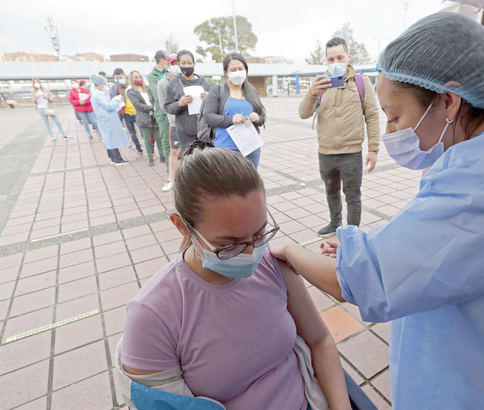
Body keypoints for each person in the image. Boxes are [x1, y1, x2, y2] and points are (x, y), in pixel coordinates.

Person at [272, 12, 484, 410]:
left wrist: (291, 253)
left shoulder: (478, 181)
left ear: (447, 101)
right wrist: (370, 243)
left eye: (395, 116)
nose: (392, 132)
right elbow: (473, 245)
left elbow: (367, 283)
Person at [120, 144, 351, 410]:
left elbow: (320, 341)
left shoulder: (273, 264)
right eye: (230, 244)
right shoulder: (154, 315)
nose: (252, 252)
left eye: (260, 233)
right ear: (181, 226)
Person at [299, 37, 380, 236]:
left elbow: (372, 115)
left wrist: (373, 149)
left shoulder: (362, 83)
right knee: (331, 191)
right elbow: (303, 113)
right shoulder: (319, 84)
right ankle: (335, 223)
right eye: (331, 59)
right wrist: (311, 92)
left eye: (340, 57)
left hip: (351, 153)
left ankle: (352, 232)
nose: (335, 63)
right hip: (325, 152)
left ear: (348, 57)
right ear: (326, 60)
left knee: (353, 195)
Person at [202, 52, 266, 168]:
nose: (237, 72)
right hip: (226, 150)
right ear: (226, 72)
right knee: (228, 185)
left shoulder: (252, 91)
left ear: (246, 70)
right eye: (233, 69)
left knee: (250, 185)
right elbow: (208, 116)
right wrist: (231, 119)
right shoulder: (218, 90)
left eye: (240, 68)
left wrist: (257, 118)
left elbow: (262, 118)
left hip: (251, 148)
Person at [164, 49, 210, 153]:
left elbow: (215, 104)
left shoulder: (204, 82)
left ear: (194, 63)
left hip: (204, 130)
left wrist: (210, 98)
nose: (187, 66)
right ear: (178, 64)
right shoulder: (174, 83)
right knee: (189, 159)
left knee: (206, 159)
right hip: (185, 131)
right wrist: (179, 103)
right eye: (183, 63)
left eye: (189, 63)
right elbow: (167, 107)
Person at [90, 74, 129, 165]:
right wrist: (118, 99)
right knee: (111, 139)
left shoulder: (96, 93)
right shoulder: (98, 94)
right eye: (103, 83)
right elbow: (108, 105)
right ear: (98, 83)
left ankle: (112, 158)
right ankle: (117, 159)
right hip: (107, 119)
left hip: (104, 119)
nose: (104, 85)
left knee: (108, 138)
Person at [127, 71, 164, 167]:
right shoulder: (131, 92)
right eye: (135, 77)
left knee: (158, 138)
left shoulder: (148, 88)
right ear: (132, 79)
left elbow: (155, 99)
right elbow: (137, 105)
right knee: (147, 139)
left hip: (154, 117)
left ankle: (162, 156)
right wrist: (152, 108)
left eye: (139, 76)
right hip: (143, 118)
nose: (138, 78)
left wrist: (155, 107)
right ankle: (150, 158)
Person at [157, 54, 181, 192]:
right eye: (174, 63)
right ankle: (171, 178)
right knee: (174, 151)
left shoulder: (184, 79)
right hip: (174, 122)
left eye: (179, 62)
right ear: (168, 65)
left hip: (189, 122)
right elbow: (162, 104)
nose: (177, 65)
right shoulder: (163, 83)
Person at [147, 50, 171, 171]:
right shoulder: (151, 76)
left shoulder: (170, 71)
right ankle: (168, 164)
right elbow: (158, 93)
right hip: (162, 111)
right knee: (166, 139)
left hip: (174, 108)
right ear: (162, 59)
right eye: (167, 58)